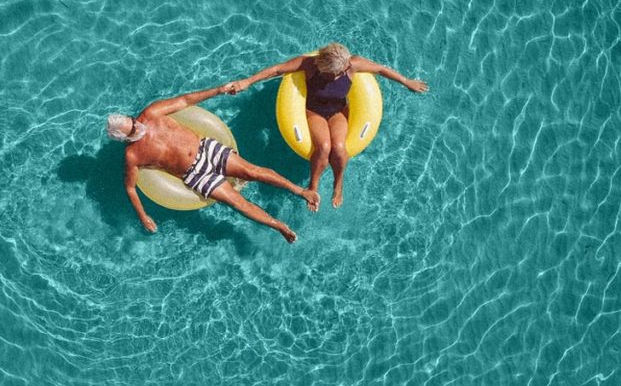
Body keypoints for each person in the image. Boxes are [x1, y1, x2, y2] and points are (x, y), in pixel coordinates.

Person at [107, 84, 320, 243]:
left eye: (133, 121)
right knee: (237, 203)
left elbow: (185, 100)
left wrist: (219, 90)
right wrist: (143, 216)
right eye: (133, 130)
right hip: (195, 175)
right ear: (124, 137)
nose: (139, 126)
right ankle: (279, 226)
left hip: (206, 148)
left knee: (251, 171)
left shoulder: (151, 113)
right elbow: (130, 187)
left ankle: (301, 191)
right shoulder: (133, 155)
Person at [225, 43, 428, 209]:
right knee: (323, 147)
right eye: (332, 75)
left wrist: (407, 81)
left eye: (340, 73)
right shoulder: (309, 64)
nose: (337, 77)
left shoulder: (352, 64)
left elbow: (381, 69)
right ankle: (313, 185)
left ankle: (338, 183)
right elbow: (277, 69)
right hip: (314, 112)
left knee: (339, 148)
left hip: (337, 112)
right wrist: (247, 81)